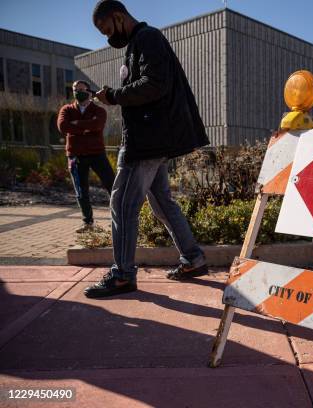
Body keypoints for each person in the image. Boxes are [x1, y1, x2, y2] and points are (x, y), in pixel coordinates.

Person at [85, 0, 210, 298]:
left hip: (146, 142)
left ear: (118, 16)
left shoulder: (147, 38)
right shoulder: (139, 43)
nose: (107, 37)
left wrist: (113, 96)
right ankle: (193, 258)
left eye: (106, 29)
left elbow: (155, 84)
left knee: (123, 205)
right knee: (162, 203)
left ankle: (123, 275)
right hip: (154, 139)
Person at [57, 80, 115, 232]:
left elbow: (97, 125)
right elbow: (63, 127)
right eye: (75, 89)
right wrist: (87, 127)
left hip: (97, 154)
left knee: (112, 185)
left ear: (89, 92)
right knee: (81, 191)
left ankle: (118, 219)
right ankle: (88, 223)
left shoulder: (99, 111)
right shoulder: (66, 110)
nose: (77, 92)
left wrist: (76, 124)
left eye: (81, 89)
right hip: (76, 155)